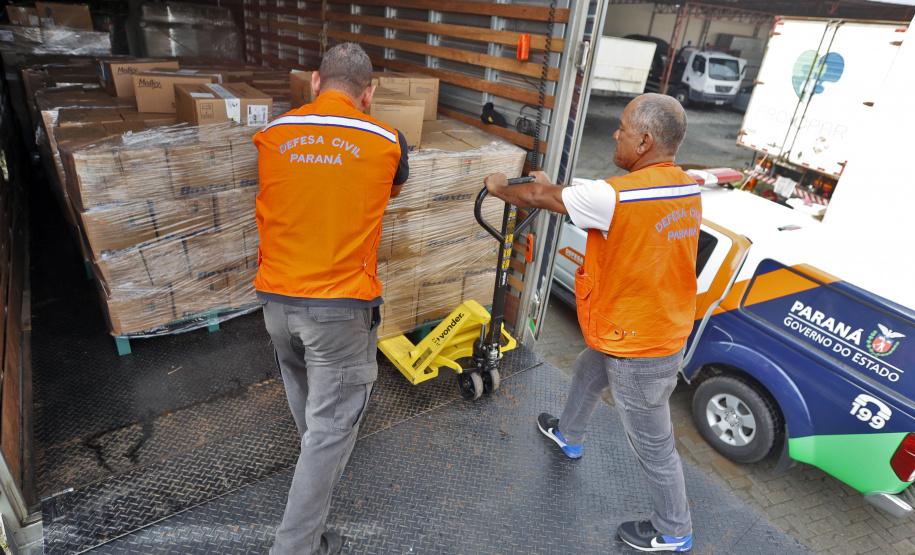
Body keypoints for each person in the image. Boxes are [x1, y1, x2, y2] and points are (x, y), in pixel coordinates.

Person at [483, 93, 698, 552]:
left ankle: (674, 531)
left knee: (654, 447)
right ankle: (568, 435)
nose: (615, 134)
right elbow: (580, 195)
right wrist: (553, 185)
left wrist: (501, 188)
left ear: (644, 141)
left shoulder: (616, 196)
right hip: (646, 322)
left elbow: (543, 197)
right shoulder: (685, 186)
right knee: (586, 368)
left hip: (640, 345)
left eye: (622, 127)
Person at [252, 42, 409, 555]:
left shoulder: (274, 133)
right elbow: (390, 189)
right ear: (369, 94)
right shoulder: (388, 140)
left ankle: (322, 452)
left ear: (316, 83)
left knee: (303, 389)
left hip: (276, 303)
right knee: (327, 431)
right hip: (340, 310)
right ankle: (295, 548)